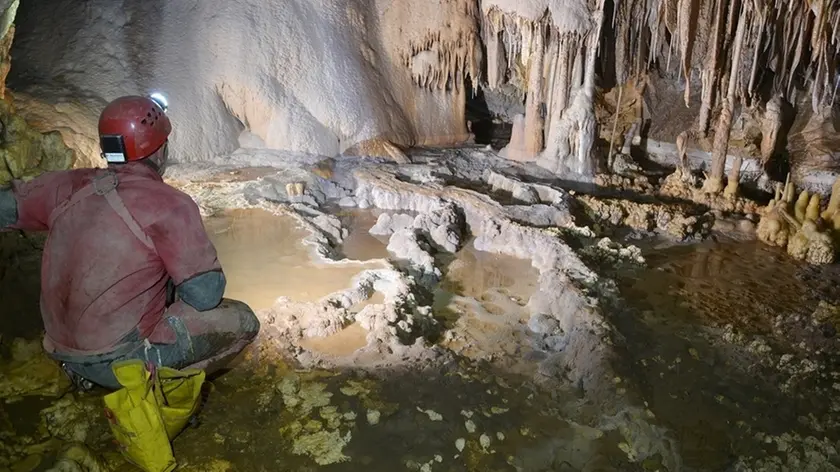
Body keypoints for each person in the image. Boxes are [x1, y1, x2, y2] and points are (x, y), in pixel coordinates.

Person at [0, 94, 260, 390]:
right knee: (243, 320)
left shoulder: (64, 185)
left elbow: (5, 207)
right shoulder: (169, 204)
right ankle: (157, 387)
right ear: (160, 150)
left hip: (59, 351)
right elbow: (205, 295)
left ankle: (83, 376)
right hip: (123, 360)